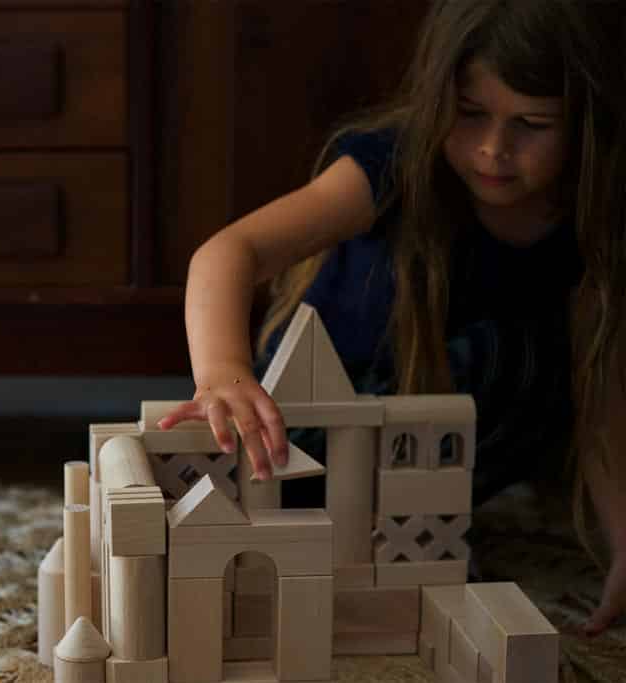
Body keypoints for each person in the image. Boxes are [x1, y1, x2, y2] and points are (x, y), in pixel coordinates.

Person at [158, 0, 625, 636]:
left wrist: (623, 538)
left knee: (534, 356)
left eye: (532, 124)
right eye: (471, 113)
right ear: (439, 98)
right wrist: (224, 373)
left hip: (437, 452)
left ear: (585, 126)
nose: (494, 149)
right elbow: (228, 251)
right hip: (297, 435)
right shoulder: (390, 163)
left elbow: (599, 388)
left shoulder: (588, 213)